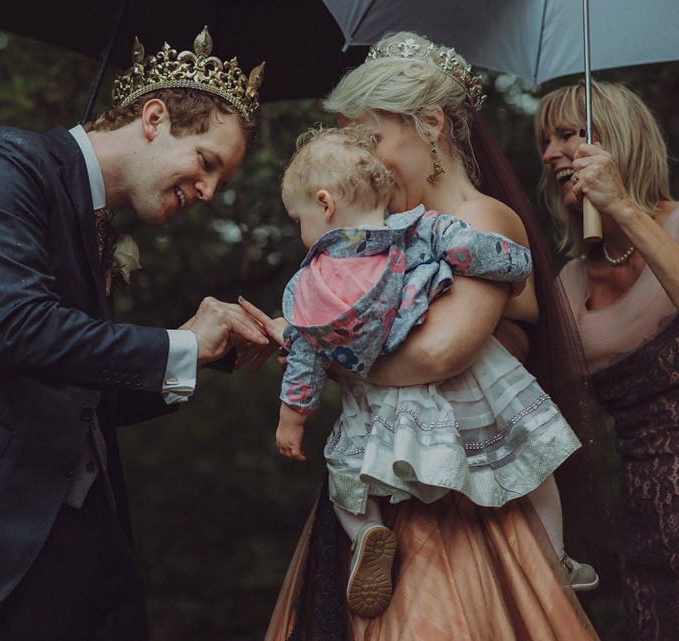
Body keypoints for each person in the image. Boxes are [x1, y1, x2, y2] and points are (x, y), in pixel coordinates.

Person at [0, 27, 269, 641]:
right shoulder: (4, 161)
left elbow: (78, 395)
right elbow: (21, 329)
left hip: (79, 544)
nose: (207, 192)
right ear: (154, 117)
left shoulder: (94, 221)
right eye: (207, 163)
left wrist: (202, 353)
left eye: (221, 182)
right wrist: (179, 345)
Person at [244, 31, 605, 640]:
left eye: (372, 139)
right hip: (394, 475)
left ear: (431, 124)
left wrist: (319, 350)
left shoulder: (478, 220)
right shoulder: (387, 236)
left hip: (461, 501)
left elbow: (440, 352)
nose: (362, 159)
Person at [535, 80, 679, 640]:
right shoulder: (569, 281)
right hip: (647, 516)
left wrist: (621, 205)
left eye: (569, 135)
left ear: (617, 142)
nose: (551, 155)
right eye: (546, 143)